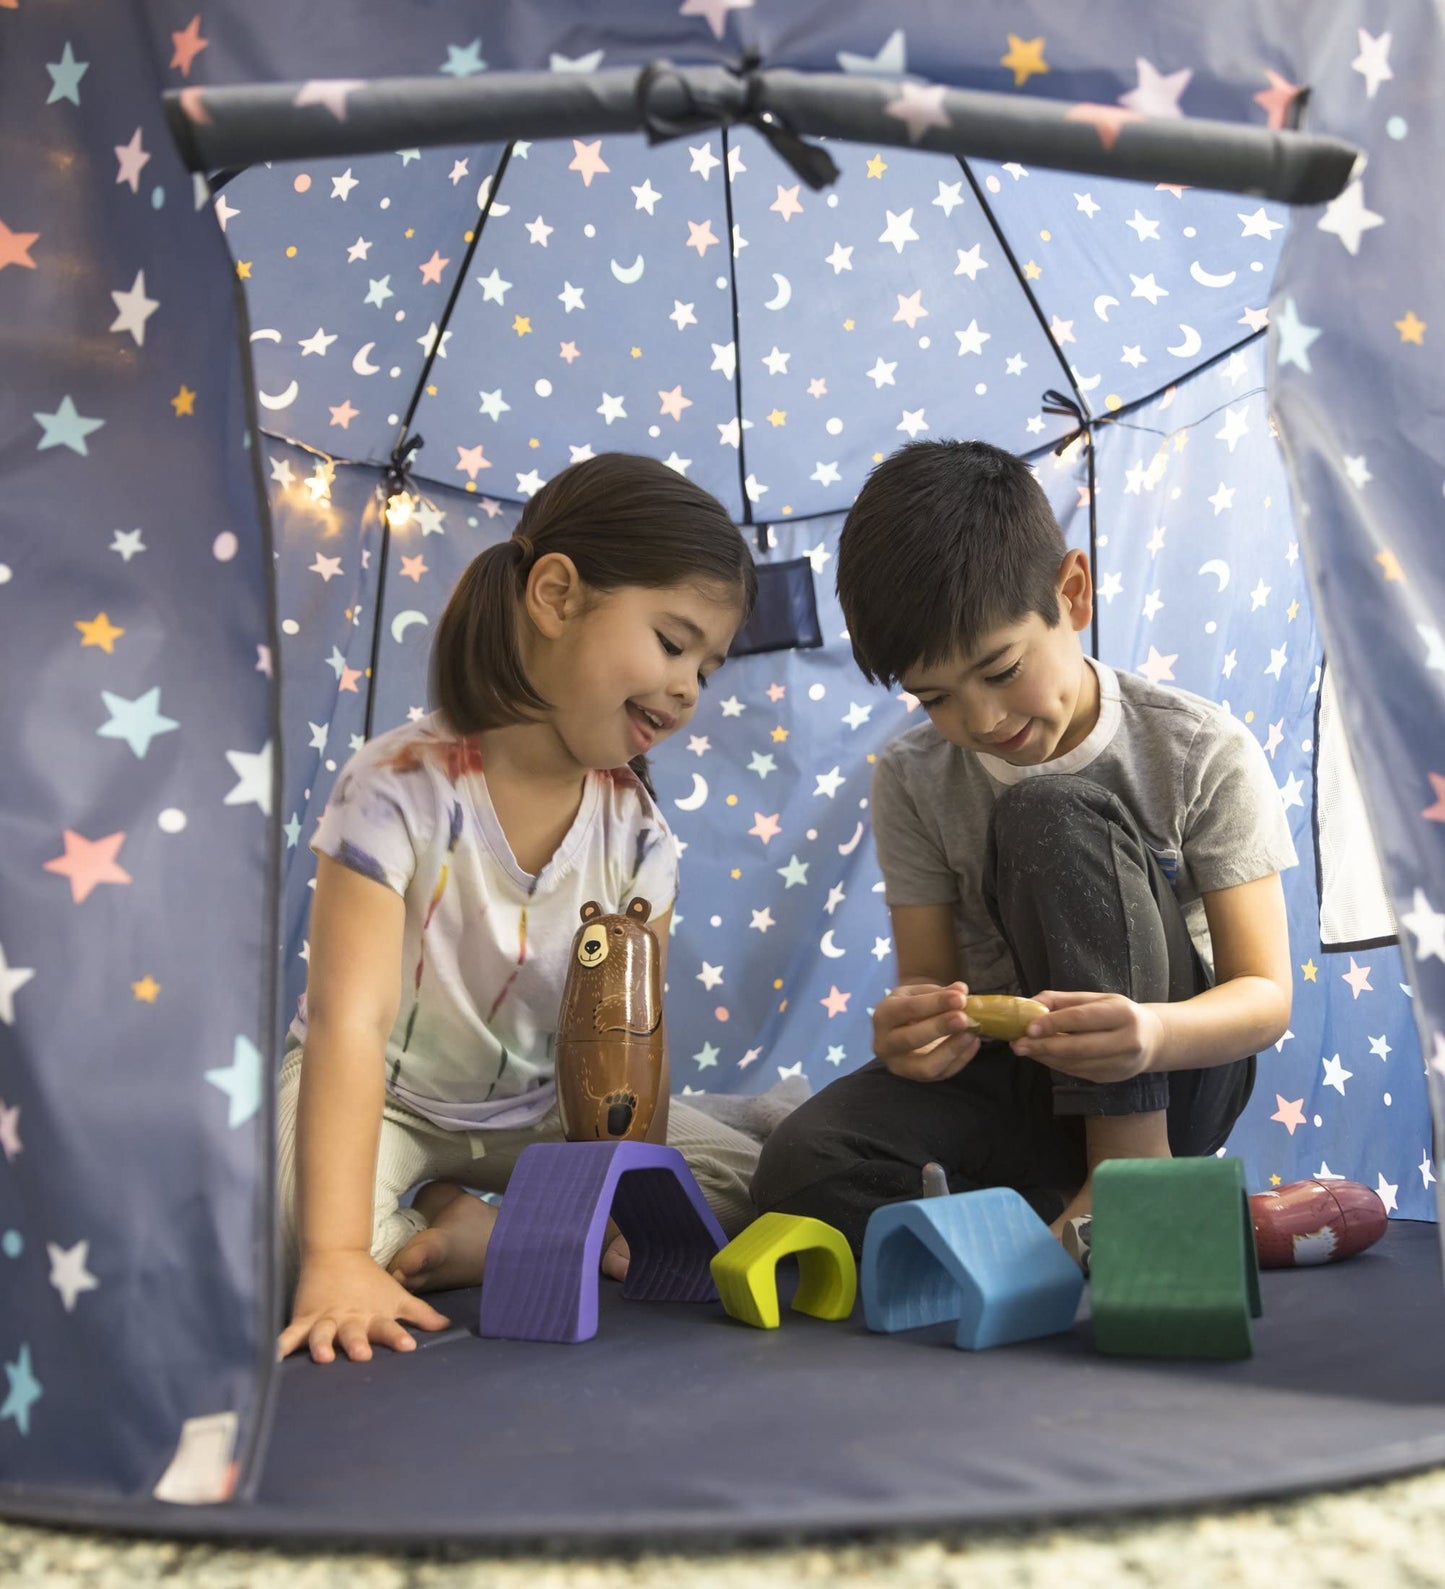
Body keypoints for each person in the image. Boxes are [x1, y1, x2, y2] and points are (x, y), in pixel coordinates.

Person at [751, 439, 1296, 1255]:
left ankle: (1130, 1181)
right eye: (934, 696)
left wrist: (1148, 1034)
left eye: (1000, 669)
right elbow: (931, 984)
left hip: (1173, 1072)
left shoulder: (1195, 748)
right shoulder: (911, 776)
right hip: (1017, 1088)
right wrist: (915, 1032)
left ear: (1070, 592)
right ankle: (1047, 1222)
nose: (979, 720)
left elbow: (1264, 995)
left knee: (1049, 812)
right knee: (799, 1169)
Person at [278, 453, 760, 1363]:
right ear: (554, 595)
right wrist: (337, 1255)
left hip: (548, 1114)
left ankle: (522, 1223)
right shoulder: (396, 787)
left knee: (741, 1186)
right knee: (282, 1226)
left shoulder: (640, 839)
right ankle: (469, 1231)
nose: (690, 686)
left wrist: (629, 1204)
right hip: (386, 1099)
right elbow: (351, 1020)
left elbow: (627, 1049)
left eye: (709, 664)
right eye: (671, 641)